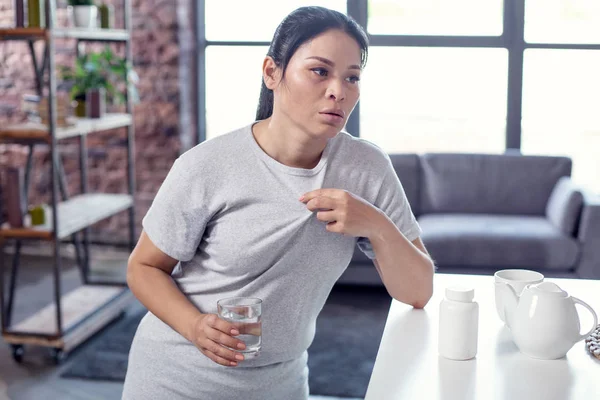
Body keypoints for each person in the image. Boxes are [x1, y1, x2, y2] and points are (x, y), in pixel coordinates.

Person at [122, 6, 434, 400]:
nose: (339, 90)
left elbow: (418, 291)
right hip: (178, 378)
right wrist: (196, 326)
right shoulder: (207, 166)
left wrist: (376, 225)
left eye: (352, 77)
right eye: (320, 71)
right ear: (272, 72)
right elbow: (143, 267)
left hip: (280, 383)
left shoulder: (366, 169)